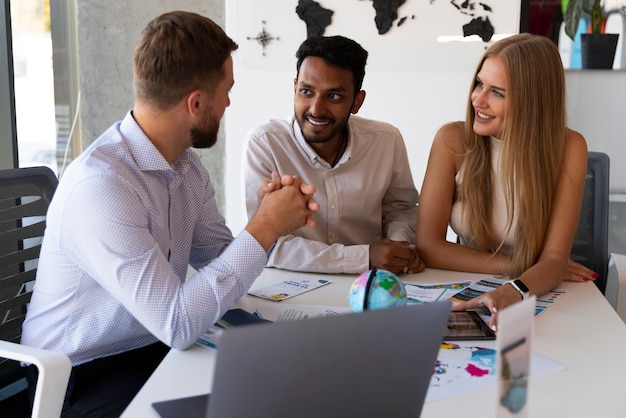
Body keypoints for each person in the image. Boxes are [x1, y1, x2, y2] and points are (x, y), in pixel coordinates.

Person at [21, 11, 318, 417]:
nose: (229, 102)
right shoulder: (102, 187)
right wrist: (264, 227)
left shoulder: (185, 166)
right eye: (226, 91)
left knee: (282, 382)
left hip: (147, 347)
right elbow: (176, 324)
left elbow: (218, 259)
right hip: (75, 376)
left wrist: (274, 220)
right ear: (196, 103)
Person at [415, 33, 596, 328]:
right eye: (479, 84)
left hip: (537, 297)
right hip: (472, 284)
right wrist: (526, 268)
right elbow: (428, 246)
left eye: (497, 92)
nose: (478, 99)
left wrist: (519, 286)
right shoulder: (452, 139)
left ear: (532, 101)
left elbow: (554, 257)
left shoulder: (569, 147)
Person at [243, 35, 423, 276]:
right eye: (306, 91)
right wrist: (365, 257)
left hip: (374, 282)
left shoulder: (386, 140)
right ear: (294, 88)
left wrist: (397, 250)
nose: (316, 109)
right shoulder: (265, 144)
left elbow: (401, 209)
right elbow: (264, 243)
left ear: (357, 101)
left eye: (334, 96)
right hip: (289, 284)